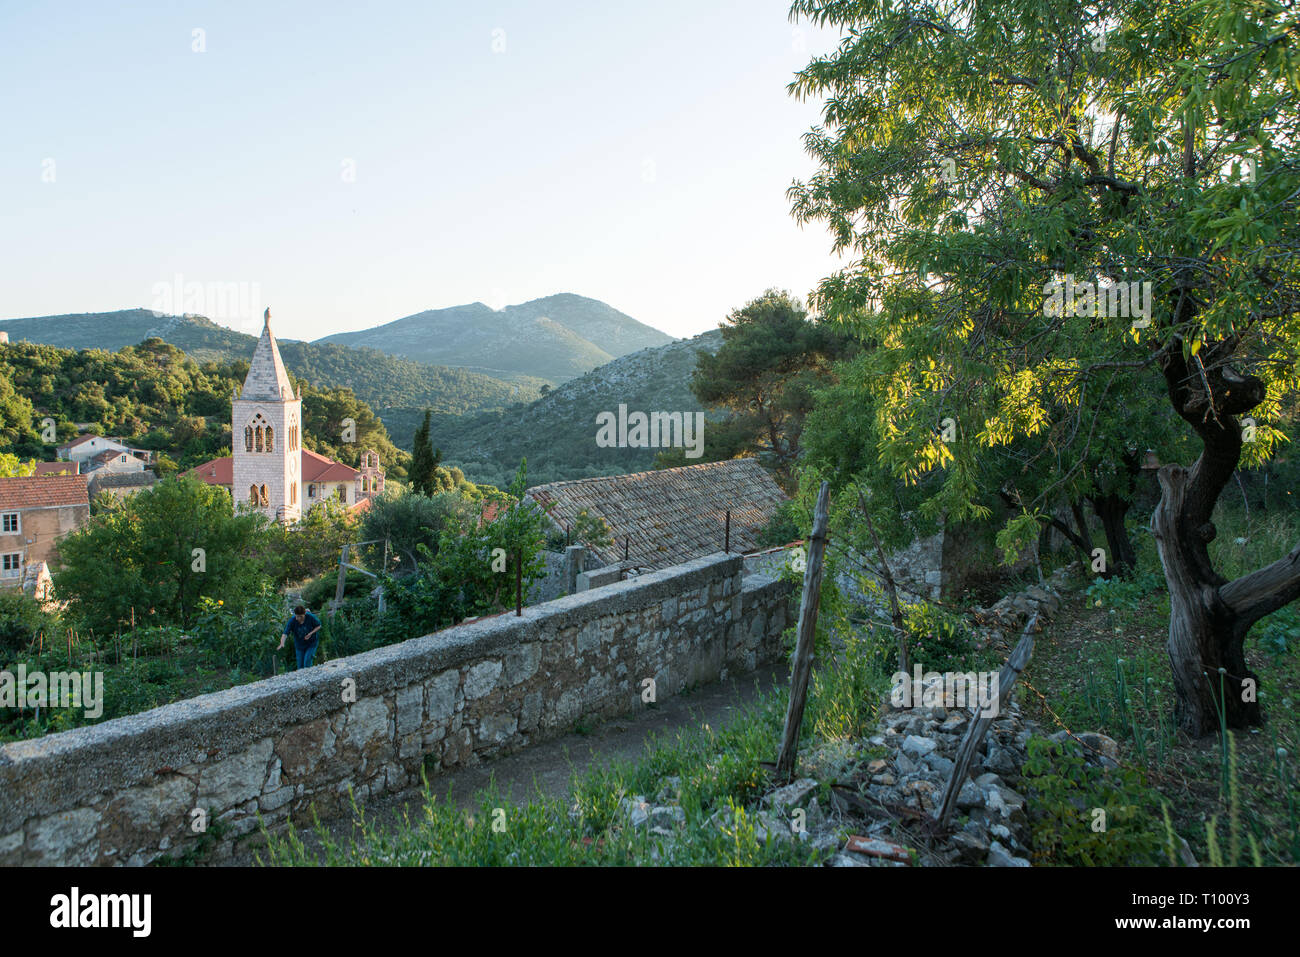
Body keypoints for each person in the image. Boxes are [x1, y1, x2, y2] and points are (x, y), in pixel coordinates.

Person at [279, 604, 322, 669]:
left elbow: (319, 626)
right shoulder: (292, 621)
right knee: (300, 666)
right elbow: (285, 633)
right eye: (296, 616)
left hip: (311, 644)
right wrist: (282, 643)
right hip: (299, 646)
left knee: (307, 662)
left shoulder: (310, 617)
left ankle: (308, 678)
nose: (298, 618)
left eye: (300, 616)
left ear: (304, 614)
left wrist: (311, 633)